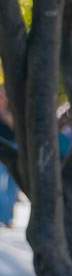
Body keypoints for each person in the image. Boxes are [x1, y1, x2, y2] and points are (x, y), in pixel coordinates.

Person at [0, 85, 16, 227]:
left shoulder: (11, 109)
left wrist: (4, 113)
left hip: (13, 146)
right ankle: (2, 217)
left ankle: (7, 217)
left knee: (11, 185)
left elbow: (15, 127)